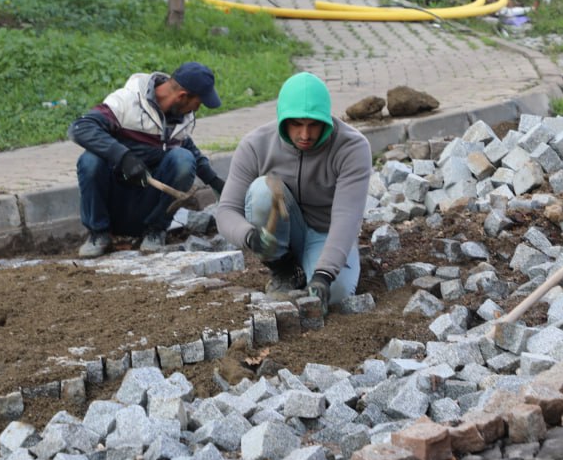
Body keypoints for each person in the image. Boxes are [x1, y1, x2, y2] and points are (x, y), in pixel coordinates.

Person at [215, 72, 372, 311]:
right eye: (296, 124)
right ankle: (284, 270)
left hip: (326, 233)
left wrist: (324, 274)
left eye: (313, 125)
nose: (305, 135)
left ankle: (319, 265)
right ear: (282, 119)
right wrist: (249, 236)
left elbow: (347, 217)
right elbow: (226, 211)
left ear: (326, 120)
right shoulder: (255, 145)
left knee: (337, 294)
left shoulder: (352, 147)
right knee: (261, 190)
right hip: (281, 233)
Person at [69, 62, 226, 258]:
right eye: (199, 103)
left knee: (183, 159)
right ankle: (99, 234)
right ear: (182, 96)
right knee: (90, 160)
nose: (198, 109)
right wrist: (124, 157)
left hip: (145, 206)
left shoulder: (180, 119)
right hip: (115, 200)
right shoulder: (126, 102)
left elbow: (189, 150)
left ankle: (155, 231)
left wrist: (215, 181)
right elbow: (81, 128)